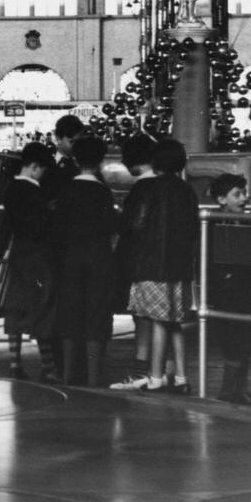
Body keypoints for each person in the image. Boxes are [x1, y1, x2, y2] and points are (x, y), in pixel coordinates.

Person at [118, 138, 199, 393]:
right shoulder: (187, 190)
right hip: (180, 266)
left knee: (157, 320)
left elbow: (136, 224)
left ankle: (155, 377)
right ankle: (182, 378)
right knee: (175, 320)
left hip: (151, 264)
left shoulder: (150, 189)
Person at [52, 136, 118, 387]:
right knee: (96, 315)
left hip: (70, 259)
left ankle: (68, 374)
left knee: (70, 314)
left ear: (76, 159)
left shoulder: (67, 189)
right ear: (100, 160)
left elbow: (57, 227)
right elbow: (112, 225)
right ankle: (93, 375)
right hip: (99, 259)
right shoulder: (102, 191)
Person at [206, 173, 251, 406]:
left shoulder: (245, 221)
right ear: (221, 199)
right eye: (237, 194)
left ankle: (239, 390)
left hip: (243, 290)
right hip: (227, 292)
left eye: (244, 193)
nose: (244, 198)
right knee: (234, 342)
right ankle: (228, 391)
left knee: (246, 341)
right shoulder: (213, 223)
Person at [0, 141, 60, 381]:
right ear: (35, 167)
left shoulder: (9, 189)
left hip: (18, 253)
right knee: (43, 309)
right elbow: (42, 226)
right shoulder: (36, 193)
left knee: (16, 307)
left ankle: (15, 363)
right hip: (39, 256)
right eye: (43, 170)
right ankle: (48, 367)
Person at [110, 134, 162, 390]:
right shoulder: (165, 185)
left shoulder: (142, 188)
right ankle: (162, 371)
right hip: (163, 262)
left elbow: (133, 226)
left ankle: (141, 369)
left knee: (141, 316)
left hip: (141, 262)